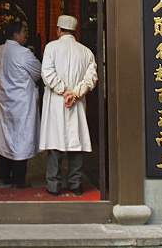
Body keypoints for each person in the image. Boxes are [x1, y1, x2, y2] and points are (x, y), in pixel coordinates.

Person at [38, 14, 98, 197]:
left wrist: (63, 91)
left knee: (55, 144)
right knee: (75, 143)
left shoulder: (51, 48)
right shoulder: (86, 52)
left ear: (58, 29)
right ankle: (75, 184)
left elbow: (47, 73)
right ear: (75, 31)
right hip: (76, 102)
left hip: (57, 102)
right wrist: (76, 93)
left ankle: (54, 185)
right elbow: (91, 78)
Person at [0, 19, 41, 188]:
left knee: (5, 137)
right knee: (22, 138)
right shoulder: (24, 53)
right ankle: (18, 180)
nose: (25, 36)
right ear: (16, 35)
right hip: (21, 102)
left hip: (6, 99)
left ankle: (3, 176)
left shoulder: (0, 51)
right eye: (23, 33)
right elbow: (38, 72)